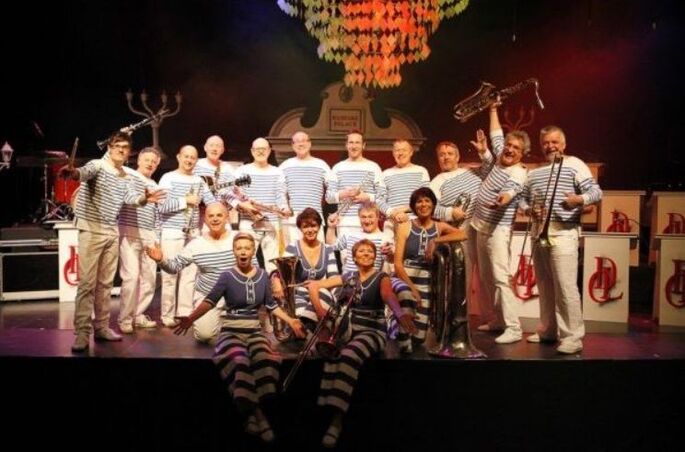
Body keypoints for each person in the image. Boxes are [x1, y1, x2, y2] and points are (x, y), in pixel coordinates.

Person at [174, 233, 305, 443]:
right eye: (239, 248)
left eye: (247, 248)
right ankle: (258, 415)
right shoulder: (226, 276)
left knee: (266, 358)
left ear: (253, 251)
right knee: (239, 360)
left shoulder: (262, 275)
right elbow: (210, 301)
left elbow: (270, 305)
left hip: (254, 332)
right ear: (234, 251)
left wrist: (291, 320)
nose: (243, 252)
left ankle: (252, 413)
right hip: (231, 331)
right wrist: (190, 318)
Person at [307, 239, 417, 448]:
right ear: (355, 257)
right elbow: (315, 285)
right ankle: (325, 409)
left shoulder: (381, 277)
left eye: (370, 251)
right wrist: (320, 311)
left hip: (372, 331)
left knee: (348, 355)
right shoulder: (349, 276)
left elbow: (387, 295)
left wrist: (399, 312)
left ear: (375, 256)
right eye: (362, 251)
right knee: (331, 353)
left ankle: (337, 420)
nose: (366, 254)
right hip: (348, 329)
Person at [62, 132, 165, 353]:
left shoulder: (124, 176)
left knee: (105, 284)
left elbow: (131, 199)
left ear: (129, 153)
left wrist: (145, 198)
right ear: (109, 147)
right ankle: (82, 333)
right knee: (87, 284)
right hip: (92, 229)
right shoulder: (97, 165)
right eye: (117, 145)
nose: (120, 149)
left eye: (125, 147)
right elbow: (83, 173)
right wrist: (73, 173)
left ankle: (101, 327)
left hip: (111, 231)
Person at [523, 125, 602, 354]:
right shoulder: (534, 172)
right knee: (545, 285)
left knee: (565, 287)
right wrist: (529, 210)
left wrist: (578, 199)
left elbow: (596, 193)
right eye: (546, 142)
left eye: (554, 142)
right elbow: (522, 199)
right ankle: (548, 330)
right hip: (539, 233)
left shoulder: (575, 164)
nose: (550, 146)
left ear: (564, 144)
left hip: (564, 232)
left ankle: (573, 337)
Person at [470, 102, 529, 344]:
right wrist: (493, 109)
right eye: (509, 145)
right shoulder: (498, 156)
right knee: (486, 278)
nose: (510, 149)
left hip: (498, 231)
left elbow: (510, 192)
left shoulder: (518, 172)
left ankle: (514, 328)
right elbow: (496, 133)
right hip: (479, 226)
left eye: (516, 148)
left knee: (501, 278)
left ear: (522, 154)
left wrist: (501, 200)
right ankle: (497, 320)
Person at [145, 202, 237, 342]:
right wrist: (161, 260)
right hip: (208, 296)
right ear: (205, 219)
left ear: (227, 218)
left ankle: (234, 322)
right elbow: (174, 267)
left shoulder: (238, 238)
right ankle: (216, 321)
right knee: (204, 335)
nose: (215, 219)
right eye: (211, 216)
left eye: (219, 215)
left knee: (244, 334)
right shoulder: (196, 244)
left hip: (235, 295)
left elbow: (254, 267)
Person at [429, 137, 488, 331]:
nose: (446, 157)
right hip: (458, 232)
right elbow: (429, 208)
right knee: (461, 278)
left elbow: (491, 167)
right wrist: (450, 212)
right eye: (442, 155)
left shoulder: (471, 171)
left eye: (449, 154)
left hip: (481, 228)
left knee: (488, 276)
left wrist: (483, 151)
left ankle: (493, 320)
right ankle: (457, 322)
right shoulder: (436, 182)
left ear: (458, 156)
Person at [393, 187, 464, 342]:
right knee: (404, 335)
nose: (423, 204)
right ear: (414, 206)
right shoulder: (405, 226)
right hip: (405, 278)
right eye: (419, 201)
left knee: (418, 338)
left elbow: (464, 234)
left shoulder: (439, 227)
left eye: (427, 200)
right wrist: (413, 290)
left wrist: (436, 240)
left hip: (426, 280)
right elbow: (397, 264)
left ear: (433, 204)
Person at [157, 145, 216, 327]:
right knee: (170, 275)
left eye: (193, 157)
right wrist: (185, 201)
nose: (189, 160)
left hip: (193, 233)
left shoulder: (199, 181)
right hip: (172, 231)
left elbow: (211, 202)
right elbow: (161, 206)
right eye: (186, 156)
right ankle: (167, 315)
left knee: (190, 275)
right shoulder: (168, 178)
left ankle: (184, 313)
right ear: (178, 157)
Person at [225, 138, 289, 274]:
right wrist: (241, 204)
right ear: (252, 151)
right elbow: (229, 193)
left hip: (271, 223)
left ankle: (273, 287)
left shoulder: (277, 172)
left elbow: (280, 195)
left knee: (273, 263)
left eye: (264, 149)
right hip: (248, 223)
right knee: (246, 261)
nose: (260, 152)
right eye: (257, 149)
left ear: (269, 151)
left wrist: (284, 208)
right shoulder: (242, 171)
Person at [117, 146, 163, 333]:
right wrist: (143, 198)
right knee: (131, 277)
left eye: (154, 161)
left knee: (150, 279)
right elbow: (127, 198)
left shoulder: (155, 185)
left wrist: (157, 238)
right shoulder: (129, 175)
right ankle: (125, 319)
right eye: (147, 160)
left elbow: (157, 214)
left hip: (149, 235)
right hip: (129, 232)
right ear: (139, 160)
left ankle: (138, 315)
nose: (150, 163)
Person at [271, 208, 339, 331]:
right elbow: (280, 272)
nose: (310, 230)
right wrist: (275, 280)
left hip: (321, 293)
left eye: (313, 225)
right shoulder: (293, 247)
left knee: (325, 296)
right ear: (300, 228)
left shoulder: (328, 249)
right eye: (305, 226)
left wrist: (320, 289)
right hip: (299, 294)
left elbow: (334, 278)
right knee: (303, 318)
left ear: (319, 226)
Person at [325, 131, 385, 238]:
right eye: (351, 142)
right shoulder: (337, 168)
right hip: (344, 224)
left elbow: (383, 196)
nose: (354, 146)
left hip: (369, 222)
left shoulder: (373, 167)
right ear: (346, 145)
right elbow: (328, 198)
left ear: (363, 145)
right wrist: (344, 193)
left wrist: (366, 197)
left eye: (357, 142)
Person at [278, 131, 332, 243]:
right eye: (297, 141)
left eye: (303, 141)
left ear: (309, 143)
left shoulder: (321, 165)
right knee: (292, 253)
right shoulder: (285, 166)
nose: (300, 144)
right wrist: (284, 207)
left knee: (317, 253)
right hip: (292, 222)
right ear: (293, 145)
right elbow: (279, 191)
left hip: (315, 221)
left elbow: (333, 188)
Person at [377, 139, 430, 235]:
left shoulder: (421, 171)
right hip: (392, 222)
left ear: (411, 152)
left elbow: (426, 199)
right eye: (397, 150)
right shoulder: (385, 174)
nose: (400, 153)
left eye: (404, 150)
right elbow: (379, 201)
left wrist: (405, 210)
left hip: (416, 221)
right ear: (393, 153)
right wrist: (394, 213)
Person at [193, 134, 238, 227]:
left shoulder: (228, 169)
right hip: (197, 218)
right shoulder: (195, 165)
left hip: (220, 217)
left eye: (218, 146)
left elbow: (230, 195)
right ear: (205, 147)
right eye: (211, 145)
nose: (214, 149)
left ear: (222, 150)